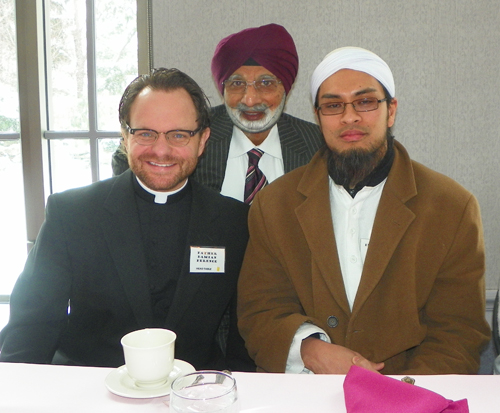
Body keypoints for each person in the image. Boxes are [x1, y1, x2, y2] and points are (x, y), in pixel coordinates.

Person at [237, 47, 491, 375]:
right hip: (303, 390)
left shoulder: (451, 207)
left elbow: (458, 334)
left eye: (366, 101)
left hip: (412, 395)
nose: (349, 117)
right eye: (333, 105)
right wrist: (309, 350)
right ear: (318, 117)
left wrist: (393, 396)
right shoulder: (275, 205)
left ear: (391, 111)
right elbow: (260, 313)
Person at [0, 68, 255, 372]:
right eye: (146, 133)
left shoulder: (234, 222)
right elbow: (32, 326)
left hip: (193, 393)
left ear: (202, 141)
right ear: (124, 136)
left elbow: (246, 331)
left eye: (179, 135)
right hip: (90, 389)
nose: (161, 150)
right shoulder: (72, 215)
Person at [112, 24, 323, 204]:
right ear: (222, 88)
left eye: (266, 83)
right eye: (237, 83)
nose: (250, 100)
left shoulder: (318, 146)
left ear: (286, 87)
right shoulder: (190, 134)